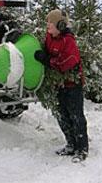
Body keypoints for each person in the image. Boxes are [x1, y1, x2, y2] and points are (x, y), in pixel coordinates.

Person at [34, 9, 89, 161]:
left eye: (50, 23)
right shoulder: (50, 37)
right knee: (62, 115)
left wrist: (46, 60)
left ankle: (82, 149)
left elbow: (64, 64)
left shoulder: (68, 41)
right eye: (47, 23)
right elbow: (45, 50)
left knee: (76, 116)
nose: (48, 26)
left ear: (60, 24)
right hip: (59, 84)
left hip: (73, 84)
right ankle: (70, 144)